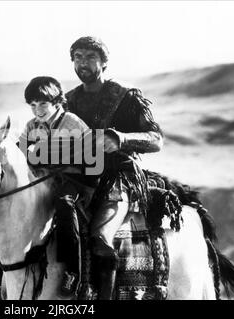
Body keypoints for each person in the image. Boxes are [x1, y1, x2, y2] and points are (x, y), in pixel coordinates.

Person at [65, 36, 164, 299]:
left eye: (89, 57)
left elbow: (156, 139)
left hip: (118, 178)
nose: (82, 63)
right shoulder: (68, 101)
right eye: (77, 57)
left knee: (99, 238)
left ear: (104, 62)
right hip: (77, 177)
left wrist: (121, 138)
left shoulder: (126, 96)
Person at [18, 76, 96, 296]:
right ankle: (4, 277)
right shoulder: (31, 126)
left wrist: (49, 155)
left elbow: (94, 156)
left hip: (75, 180)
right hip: (45, 180)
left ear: (57, 102)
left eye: (42, 103)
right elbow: (21, 152)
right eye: (32, 105)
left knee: (64, 204)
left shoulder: (72, 122)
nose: (37, 110)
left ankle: (73, 271)